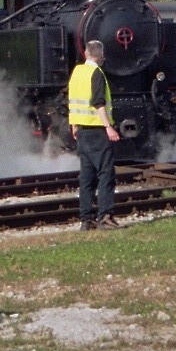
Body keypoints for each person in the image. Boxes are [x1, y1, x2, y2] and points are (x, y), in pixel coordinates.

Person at [67, 39, 120, 230]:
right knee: (106, 174)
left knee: (86, 177)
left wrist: (73, 124)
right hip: (97, 131)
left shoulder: (77, 72)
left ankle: (86, 219)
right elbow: (98, 102)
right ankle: (105, 216)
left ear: (87, 53)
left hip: (81, 132)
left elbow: (72, 100)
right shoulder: (96, 73)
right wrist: (109, 127)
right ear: (101, 55)